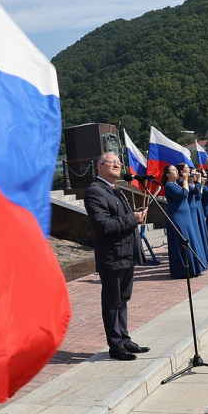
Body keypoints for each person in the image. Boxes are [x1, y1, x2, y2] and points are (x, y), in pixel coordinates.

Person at [84, 153, 149, 361]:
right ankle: (115, 345)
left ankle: (124, 339)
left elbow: (121, 218)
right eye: (112, 162)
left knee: (123, 299)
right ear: (100, 167)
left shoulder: (115, 190)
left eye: (118, 163)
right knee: (112, 302)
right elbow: (103, 225)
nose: (117, 165)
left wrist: (135, 215)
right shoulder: (95, 191)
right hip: (112, 255)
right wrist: (133, 218)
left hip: (126, 253)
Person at [161, 164, 204, 280]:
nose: (176, 172)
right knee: (181, 241)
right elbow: (184, 194)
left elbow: (192, 192)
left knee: (188, 240)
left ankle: (193, 267)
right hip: (177, 217)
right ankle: (182, 270)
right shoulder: (169, 186)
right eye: (173, 170)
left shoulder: (176, 184)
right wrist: (185, 179)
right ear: (168, 174)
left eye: (176, 170)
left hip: (185, 216)